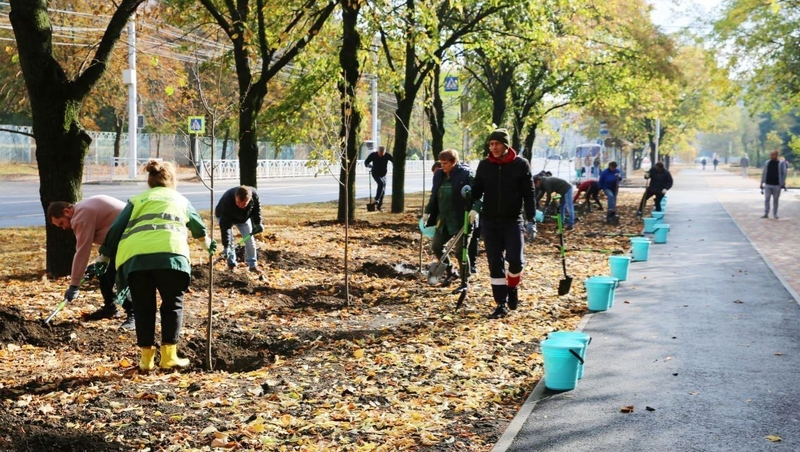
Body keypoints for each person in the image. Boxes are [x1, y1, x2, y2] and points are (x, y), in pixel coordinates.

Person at [100, 160, 216, 372]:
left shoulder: (137, 200)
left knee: (143, 308)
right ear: (172, 180)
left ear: (150, 180)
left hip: (137, 260)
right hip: (171, 257)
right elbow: (198, 226)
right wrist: (206, 244)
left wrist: (104, 257)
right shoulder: (180, 200)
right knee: (172, 305)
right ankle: (169, 357)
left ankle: (146, 361)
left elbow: (116, 228)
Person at [470, 128, 537, 319]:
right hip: (489, 221)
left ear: (506, 145)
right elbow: (477, 190)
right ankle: (501, 303)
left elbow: (529, 194)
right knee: (495, 263)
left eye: (497, 144)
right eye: (491, 144)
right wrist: (468, 192)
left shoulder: (521, 165)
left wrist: (531, 219)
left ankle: (512, 287)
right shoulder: (485, 165)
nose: (494, 147)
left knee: (516, 261)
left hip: (512, 221)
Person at [47, 196, 135, 330]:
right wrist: (98, 263)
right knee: (102, 269)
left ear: (66, 211)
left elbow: (82, 251)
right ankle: (110, 308)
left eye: (61, 223)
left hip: (131, 239)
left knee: (117, 273)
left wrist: (74, 285)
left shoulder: (81, 215)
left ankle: (134, 314)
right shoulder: (84, 208)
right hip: (120, 240)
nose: (64, 228)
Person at [423, 149, 474, 287]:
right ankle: (451, 271)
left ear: (454, 162)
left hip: (462, 219)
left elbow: (477, 194)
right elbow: (434, 195)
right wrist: (427, 212)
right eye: (441, 163)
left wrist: (474, 210)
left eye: (445, 163)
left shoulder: (466, 174)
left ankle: (465, 280)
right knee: (436, 246)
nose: (442, 166)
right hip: (444, 219)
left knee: (460, 252)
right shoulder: (439, 175)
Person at [216, 185, 263, 272]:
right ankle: (231, 265)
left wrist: (258, 223)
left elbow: (257, 209)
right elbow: (225, 227)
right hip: (226, 218)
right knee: (230, 242)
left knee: (250, 241)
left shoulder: (254, 195)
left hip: (243, 218)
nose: (241, 206)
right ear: (235, 197)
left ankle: (253, 265)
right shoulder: (227, 201)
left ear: (250, 199)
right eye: (238, 203)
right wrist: (226, 245)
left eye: (244, 204)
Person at [364, 146, 393, 211]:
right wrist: (369, 165)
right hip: (375, 173)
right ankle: (376, 199)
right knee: (381, 183)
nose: (381, 155)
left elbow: (394, 161)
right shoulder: (373, 155)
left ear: (384, 152)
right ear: (378, 151)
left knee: (383, 191)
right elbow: (366, 162)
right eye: (380, 154)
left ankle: (379, 206)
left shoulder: (387, 155)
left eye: (383, 154)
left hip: (383, 174)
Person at [760, 150, 787, 219]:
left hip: (777, 184)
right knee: (767, 199)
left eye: (773, 154)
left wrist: (782, 183)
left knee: (775, 200)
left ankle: (775, 214)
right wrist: (761, 183)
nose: (772, 156)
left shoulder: (781, 163)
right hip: (768, 184)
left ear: (777, 155)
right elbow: (764, 173)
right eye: (771, 154)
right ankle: (766, 213)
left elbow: (784, 173)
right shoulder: (767, 163)